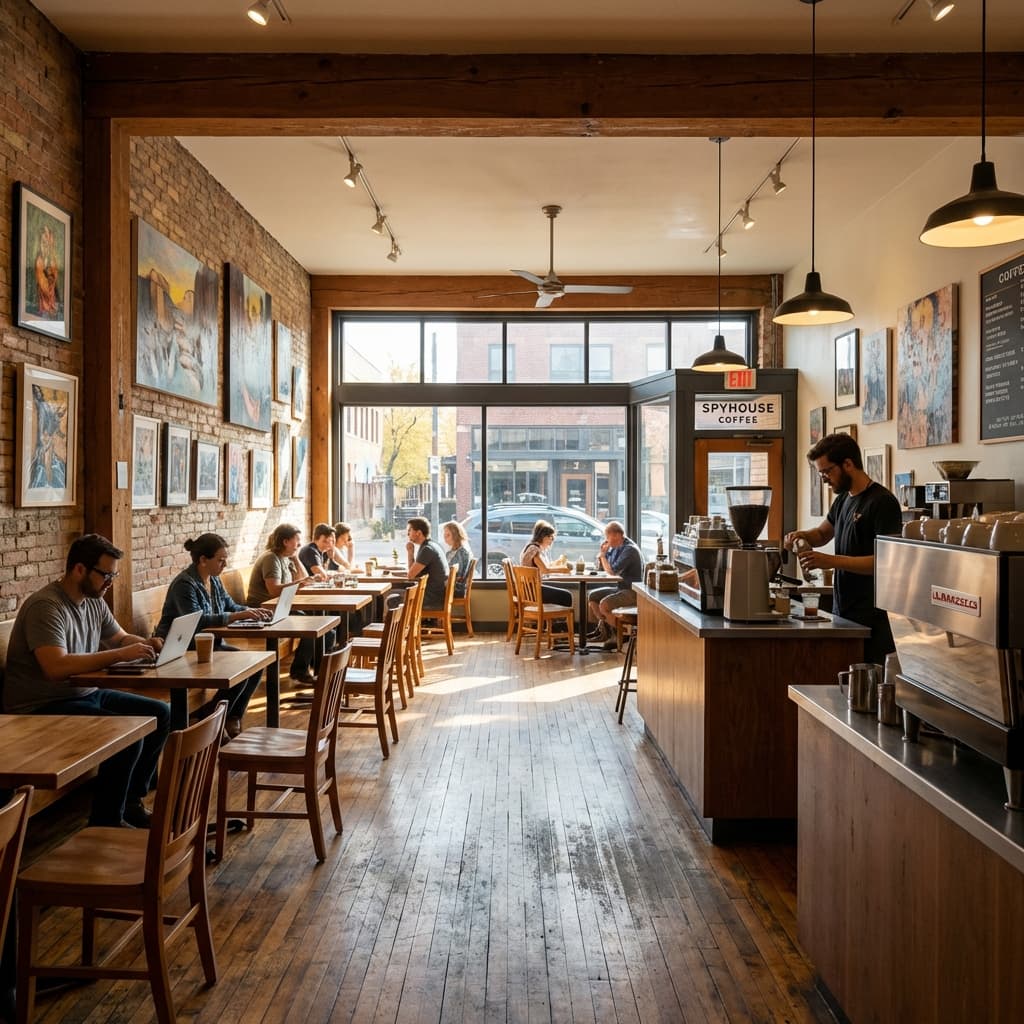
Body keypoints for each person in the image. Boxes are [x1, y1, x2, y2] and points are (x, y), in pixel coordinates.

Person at [1, 534, 170, 828]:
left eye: (113, 575)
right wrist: (120, 654)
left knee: (160, 713)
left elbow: (118, 637)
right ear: (79, 569)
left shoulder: (94, 601)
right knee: (126, 735)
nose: (110, 582)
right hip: (41, 708)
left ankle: (131, 802)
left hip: (84, 694)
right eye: (106, 574)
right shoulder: (46, 606)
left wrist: (145, 644)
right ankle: (106, 820)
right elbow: (55, 667)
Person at [784, 432, 902, 665]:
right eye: (821, 473)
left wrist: (830, 561)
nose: (825, 479)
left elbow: (886, 563)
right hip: (844, 612)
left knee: (868, 687)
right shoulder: (843, 500)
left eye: (827, 471)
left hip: (873, 617)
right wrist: (801, 535)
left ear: (848, 464)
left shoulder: (882, 502)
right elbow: (822, 534)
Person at [153, 533, 271, 738]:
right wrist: (238, 615)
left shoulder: (214, 581)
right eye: (221, 560)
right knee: (240, 669)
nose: (224, 564)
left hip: (210, 645)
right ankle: (212, 718)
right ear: (203, 560)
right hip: (183, 649)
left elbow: (231, 606)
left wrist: (252, 613)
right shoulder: (185, 584)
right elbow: (198, 621)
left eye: (226, 559)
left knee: (254, 665)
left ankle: (229, 717)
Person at [247, 523, 325, 683]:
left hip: (279, 606)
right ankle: (300, 672)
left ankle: (319, 671)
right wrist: (300, 583)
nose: (300, 544)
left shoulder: (284, 558)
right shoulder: (271, 558)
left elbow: (304, 579)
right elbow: (273, 591)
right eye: (297, 540)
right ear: (285, 541)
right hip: (264, 610)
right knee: (311, 625)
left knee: (326, 630)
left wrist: (296, 559)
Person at [588, 521, 644, 650]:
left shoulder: (629, 550)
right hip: (621, 587)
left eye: (608, 536)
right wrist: (603, 554)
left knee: (604, 604)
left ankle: (620, 634)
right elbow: (603, 568)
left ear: (617, 535)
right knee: (593, 597)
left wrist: (602, 556)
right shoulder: (616, 548)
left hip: (632, 590)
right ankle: (604, 631)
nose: (607, 540)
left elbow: (612, 571)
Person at [520, 520, 573, 609]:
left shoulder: (532, 547)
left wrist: (558, 564)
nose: (551, 540)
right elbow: (545, 570)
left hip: (529, 589)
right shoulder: (534, 549)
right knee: (566, 596)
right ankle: (558, 621)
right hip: (531, 591)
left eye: (552, 537)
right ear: (542, 536)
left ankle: (554, 620)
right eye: (550, 537)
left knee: (561, 591)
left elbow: (542, 567)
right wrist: (563, 570)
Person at [405, 516, 449, 611]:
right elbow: (413, 572)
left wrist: (410, 553)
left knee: (393, 598)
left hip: (432, 598)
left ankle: (397, 626)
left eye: (410, 530)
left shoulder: (427, 549)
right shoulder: (433, 545)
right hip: (438, 594)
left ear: (418, 533)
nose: (407, 533)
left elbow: (410, 575)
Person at [442, 520, 473, 598]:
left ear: (455, 535)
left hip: (456, 589)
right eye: (444, 535)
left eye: (448, 535)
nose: (445, 538)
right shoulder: (450, 552)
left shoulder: (463, 552)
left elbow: (459, 576)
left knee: (427, 590)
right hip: (449, 584)